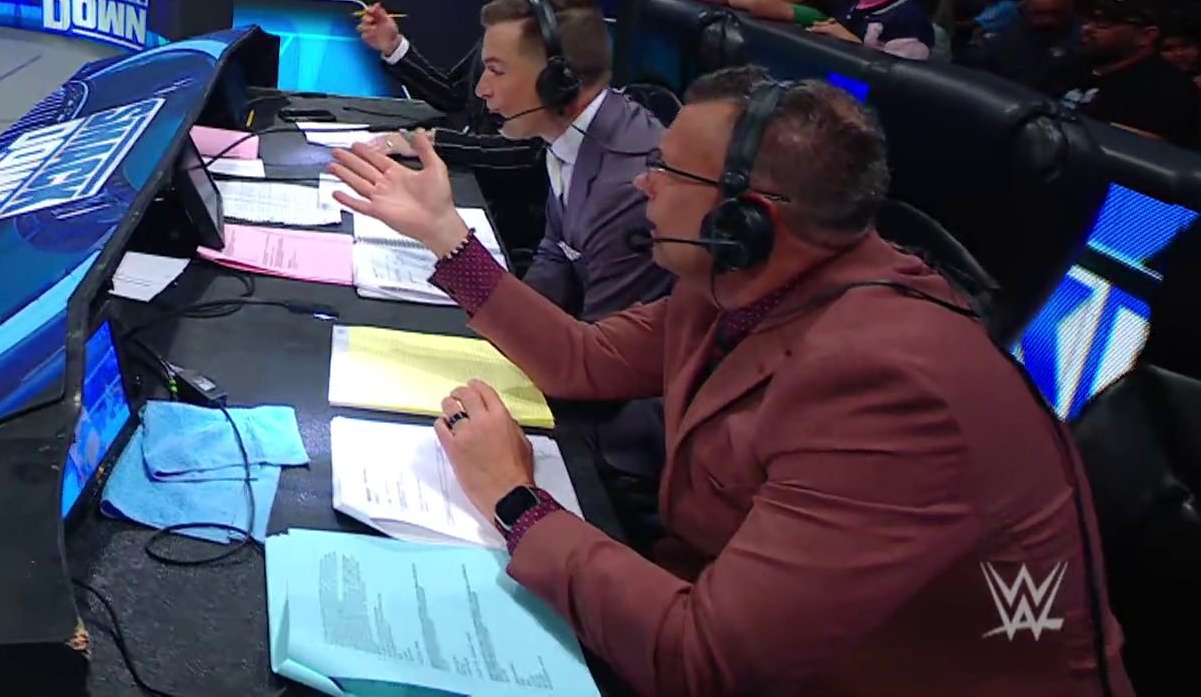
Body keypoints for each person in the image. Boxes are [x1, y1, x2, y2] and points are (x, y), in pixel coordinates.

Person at [325, 68, 1131, 696]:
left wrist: (514, 502)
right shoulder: (739, 285)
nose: (642, 184)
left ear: (745, 220)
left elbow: (706, 664)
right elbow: (582, 360)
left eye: (667, 171)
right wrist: (444, 234)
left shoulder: (893, 385)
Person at [466, 0, 674, 544]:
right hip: (585, 372)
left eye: (497, 71)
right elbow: (557, 252)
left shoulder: (628, 183)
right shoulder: (573, 141)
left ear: (559, 81)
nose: (482, 89)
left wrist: (451, 247)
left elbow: (597, 365)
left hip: (624, 446)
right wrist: (506, 325)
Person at [356, 0, 569, 258]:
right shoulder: (510, 18)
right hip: (479, 189)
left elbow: (529, 154)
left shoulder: (557, 33)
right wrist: (393, 46)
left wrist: (430, 142)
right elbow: (456, 95)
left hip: (512, 220)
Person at [1062, 0, 1201, 148]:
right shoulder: (1071, 64)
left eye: (1104, 23)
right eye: (1091, 19)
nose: (1087, 28)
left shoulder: (1169, 89)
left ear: (1146, 36)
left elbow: (1156, 152)